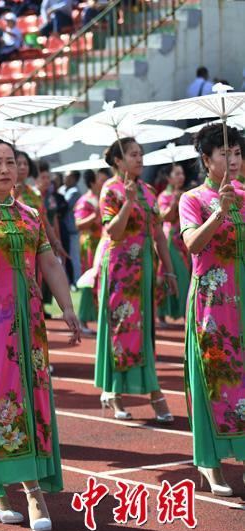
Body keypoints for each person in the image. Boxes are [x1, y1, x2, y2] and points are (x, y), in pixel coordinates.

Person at [0, 138, 81, 531]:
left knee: (32, 396)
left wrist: (68, 307)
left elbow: (48, 261)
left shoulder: (28, 213)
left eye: (11, 161)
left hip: (30, 322)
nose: (7, 169)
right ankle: (17, 491)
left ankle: (24, 484)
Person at [179, 123, 245, 496]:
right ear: (206, 159)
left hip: (244, 293)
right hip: (212, 301)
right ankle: (210, 462)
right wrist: (219, 212)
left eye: (236, 152)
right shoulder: (192, 200)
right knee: (214, 375)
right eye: (224, 153)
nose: (233, 160)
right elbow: (192, 244)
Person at [94, 138, 177, 422]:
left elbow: (159, 235)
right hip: (120, 270)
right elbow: (113, 233)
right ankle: (125, 394)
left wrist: (169, 270)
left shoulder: (150, 190)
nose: (139, 158)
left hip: (145, 270)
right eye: (133, 154)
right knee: (122, 328)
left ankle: (129, 391)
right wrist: (127, 203)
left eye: (141, 154)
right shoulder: (111, 190)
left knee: (144, 332)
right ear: (118, 160)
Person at [156, 163, 190, 325]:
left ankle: (183, 312)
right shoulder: (164, 196)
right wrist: (174, 202)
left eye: (182, 173)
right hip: (170, 240)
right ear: (168, 178)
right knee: (175, 275)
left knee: (185, 276)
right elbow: (164, 218)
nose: (181, 177)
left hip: (184, 240)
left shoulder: (186, 194)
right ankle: (164, 312)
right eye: (177, 174)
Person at [74, 169, 107, 333]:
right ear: (92, 181)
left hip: (103, 243)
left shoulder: (103, 198)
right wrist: (94, 216)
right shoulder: (85, 201)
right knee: (89, 279)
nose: (104, 181)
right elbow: (79, 224)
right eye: (101, 178)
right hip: (90, 245)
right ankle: (83, 319)